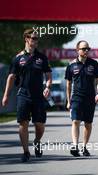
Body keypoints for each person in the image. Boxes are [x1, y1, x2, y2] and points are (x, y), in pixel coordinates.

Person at [1, 29, 52, 162]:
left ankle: (37, 140)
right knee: (23, 123)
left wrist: (47, 86)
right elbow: (11, 77)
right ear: (26, 39)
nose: (35, 41)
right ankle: (26, 152)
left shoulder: (42, 58)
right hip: (23, 94)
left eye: (37, 38)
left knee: (39, 124)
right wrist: (6, 95)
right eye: (33, 38)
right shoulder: (18, 58)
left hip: (38, 96)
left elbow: (48, 75)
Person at [65, 40, 98, 157]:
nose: (86, 50)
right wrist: (68, 101)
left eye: (88, 49)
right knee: (75, 121)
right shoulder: (71, 65)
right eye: (84, 49)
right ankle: (75, 146)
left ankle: (84, 147)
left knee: (88, 124)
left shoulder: (94, 64)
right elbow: (68, 84)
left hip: (90, 98)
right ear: (78, 50)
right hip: (76, 98)